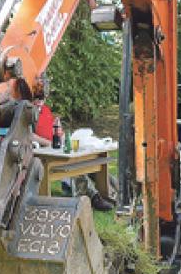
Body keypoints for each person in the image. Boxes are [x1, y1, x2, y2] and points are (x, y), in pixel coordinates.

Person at [23, 75, 114, 212]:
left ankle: (117, 194)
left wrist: (62, 136)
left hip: (56, 147)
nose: (40, 101)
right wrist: (50, 143)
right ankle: (94, 197)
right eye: (36, 99)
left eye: (42, 98)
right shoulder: (27, 113)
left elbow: (55, 131)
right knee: (75, 166)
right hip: (43, 154)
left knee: (94, 163)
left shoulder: (45, 111)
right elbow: (29, 136)